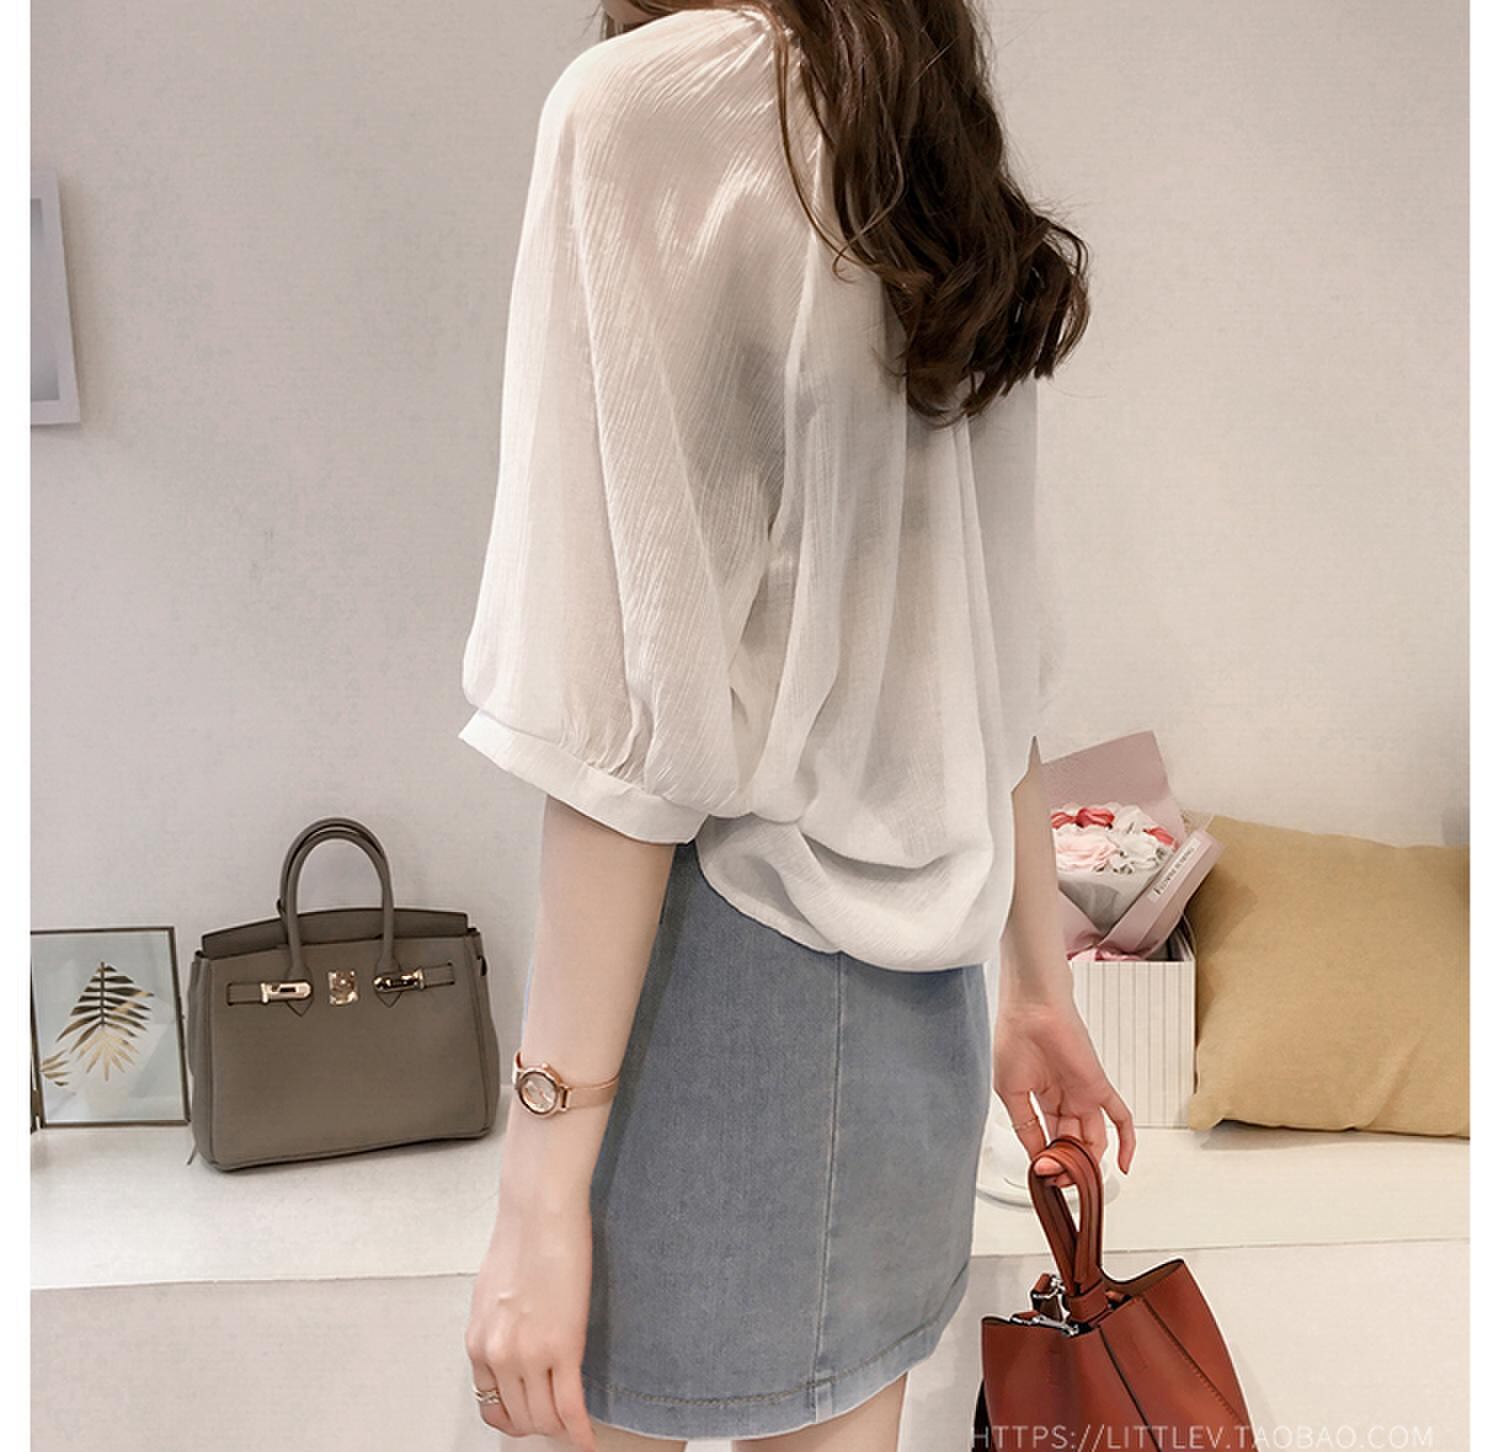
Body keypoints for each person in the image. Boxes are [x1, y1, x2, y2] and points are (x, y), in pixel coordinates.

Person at [459, 2, 1136, 1448]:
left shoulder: (644, 110)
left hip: (720, 972)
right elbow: (981, 652)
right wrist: (1035, 989)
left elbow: (627, 718)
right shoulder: (912, 110)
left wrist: (537, 1189)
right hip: (923, 999)